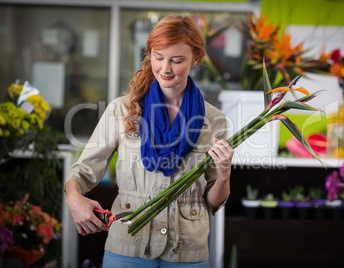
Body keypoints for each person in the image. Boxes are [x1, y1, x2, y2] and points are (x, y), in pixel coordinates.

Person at [64, 14, 233, 267]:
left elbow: (213, 200)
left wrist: (223, 174)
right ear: (149, 54)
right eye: (158, 57)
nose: (165, 69)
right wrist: (74, 197)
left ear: (196, 59)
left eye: (176, 60)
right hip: (128, 246)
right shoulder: (123, 110)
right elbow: (84, 170)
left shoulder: (215, 120)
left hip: (188, 250)